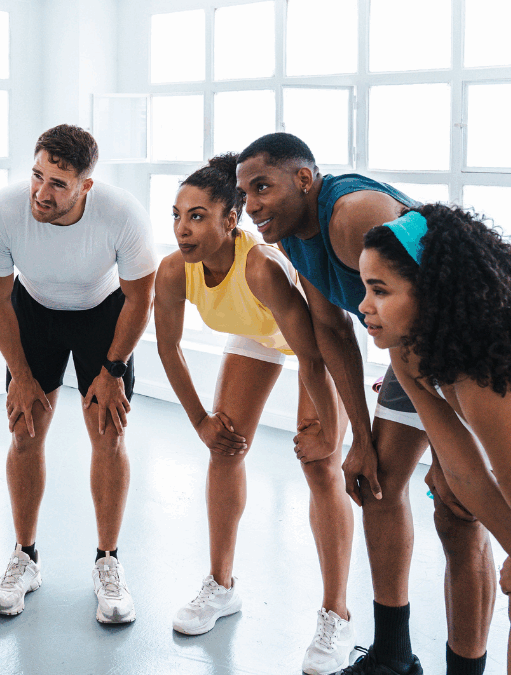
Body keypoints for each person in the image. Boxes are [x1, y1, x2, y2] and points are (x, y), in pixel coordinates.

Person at [236, 133, 495, 675]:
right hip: (409, 355)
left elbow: (442, 306)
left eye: (262, 186)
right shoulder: (292, 235)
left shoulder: (354, 215)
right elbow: (333, 327)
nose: (251, 205)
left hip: (469, 351)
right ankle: (393, 657)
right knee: (376, 485)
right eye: (244, 194)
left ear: (304, 179)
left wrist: (451, 451)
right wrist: (360, 439)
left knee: (457, 509)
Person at [155, 154, 354, 673]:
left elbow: (311, 354)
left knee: (319, 466)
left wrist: (330, 432)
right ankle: (221, 587)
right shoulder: (175, 269)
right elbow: (168, 348)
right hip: (259, 333)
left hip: (312, 336)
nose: (182, 228)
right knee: (225, 445)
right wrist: (201, 419)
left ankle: (337, 614)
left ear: (230, 220)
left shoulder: (261, 267)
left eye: (197, 216)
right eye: (176, 214)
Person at [358, 204, 511, 674]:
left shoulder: (487, 376)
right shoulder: (409, 351)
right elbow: (464, 472)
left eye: (380, 290)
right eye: (364, 287)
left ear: (432, 295)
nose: (363, 305)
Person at [0, 124, 156, 623]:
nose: (41, 191)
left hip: (104, 316)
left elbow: (141, 297)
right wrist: (21, 374)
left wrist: (113, 369)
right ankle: (24, 558)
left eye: (58, 183)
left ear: (85, 187)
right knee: (24, 433)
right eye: (37, 175)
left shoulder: (121, 214)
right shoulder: (2, 212)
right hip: (33, 314)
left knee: (108, 435)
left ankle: (107, 563)